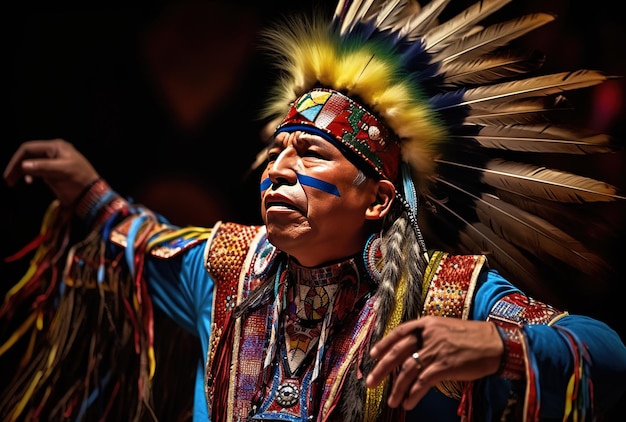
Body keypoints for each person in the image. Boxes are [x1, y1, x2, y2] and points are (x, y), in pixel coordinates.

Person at [2, 0, 626, 421]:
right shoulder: (225, 269)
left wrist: (498, 343)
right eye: (276, 152)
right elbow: (140, 237)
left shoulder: (445, 295)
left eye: (310, 154)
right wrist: (84, 186)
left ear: (378, 198)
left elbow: (602, 347)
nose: (277, 168)